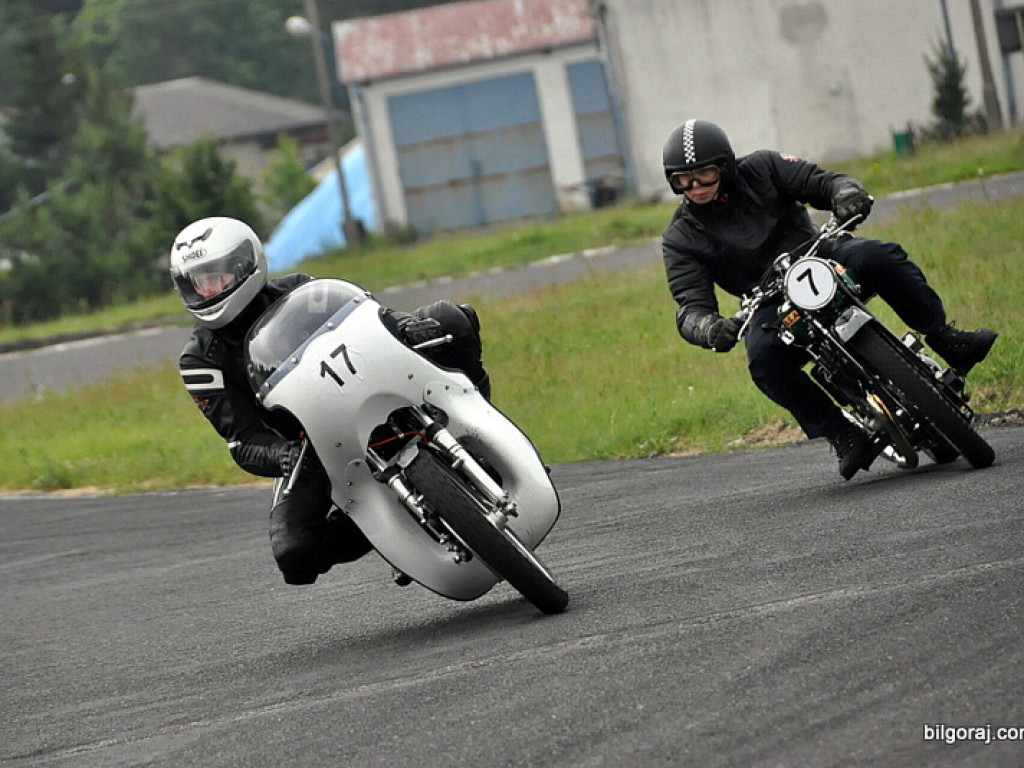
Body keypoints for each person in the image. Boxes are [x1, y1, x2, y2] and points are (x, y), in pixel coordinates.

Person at [660, 119, 998, 480]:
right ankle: (841, 433)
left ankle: (945, 338)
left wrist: (846, 193)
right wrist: (707, 327)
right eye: (683, 180)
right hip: (769, 303)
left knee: (879, 255)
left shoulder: (764, 167)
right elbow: (690, 306)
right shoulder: (680, 237)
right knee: (763, 360)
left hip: (823, 258)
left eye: (705, 174)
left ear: (725, 167)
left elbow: (823, 182)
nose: (695, 186)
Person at [170, 216, 491, 585]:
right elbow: (243, 441)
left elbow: (372, 321)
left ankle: (480, 429)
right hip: (311, 445)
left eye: (217, 276)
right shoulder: (200, 361)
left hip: (370, 384)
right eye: (199, 282)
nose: (209, 290)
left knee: (452, 320)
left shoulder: (302, 292)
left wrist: (405, 326)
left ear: (245, 264)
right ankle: (391, 532)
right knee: (295, 552)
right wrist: (283, 455)